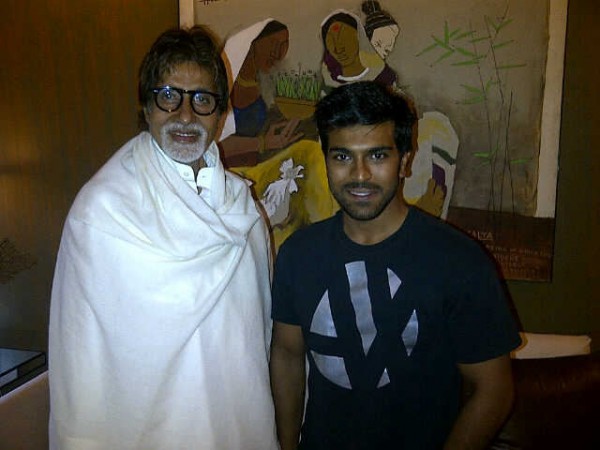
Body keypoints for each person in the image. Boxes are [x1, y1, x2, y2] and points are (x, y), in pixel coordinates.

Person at [48, 26, 278, 450]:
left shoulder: (243, 211)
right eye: (169, 95)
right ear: (146, 105)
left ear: (221, 112)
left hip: (235, 428)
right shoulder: (101, 213)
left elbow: (255, 340)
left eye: (202, 99)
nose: (185, 116)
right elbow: (79, 363)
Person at [269, 81, 521, 450]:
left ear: (404, 161)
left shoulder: (459, 260)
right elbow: (287, 355)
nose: (359, 175)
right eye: (342, 157)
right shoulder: (298, 255)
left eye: (377, 156)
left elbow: (493, 390)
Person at [220, 19, 303, 167]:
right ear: (251, 45)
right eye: (273, 44)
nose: (278, 53)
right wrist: (263, 143)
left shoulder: (268, 83)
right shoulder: (224, 85)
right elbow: (213, 145)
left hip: (258, 167)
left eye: (283, 45)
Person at [320, 10, 396, 92]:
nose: (338, 49)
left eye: (345, 38)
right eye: (331, 41)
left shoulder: (383, 77)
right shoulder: (328, 81)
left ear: (359, 37)